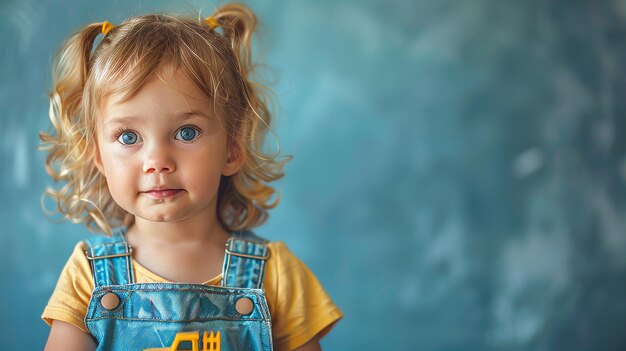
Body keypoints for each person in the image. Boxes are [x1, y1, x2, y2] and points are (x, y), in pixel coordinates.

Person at [39, 3, 343, 350]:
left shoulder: (276, 276)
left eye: (186, 133)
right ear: (98, 155)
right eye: (128, 137)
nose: (157, 161)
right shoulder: (88, 276)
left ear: (231, 147)